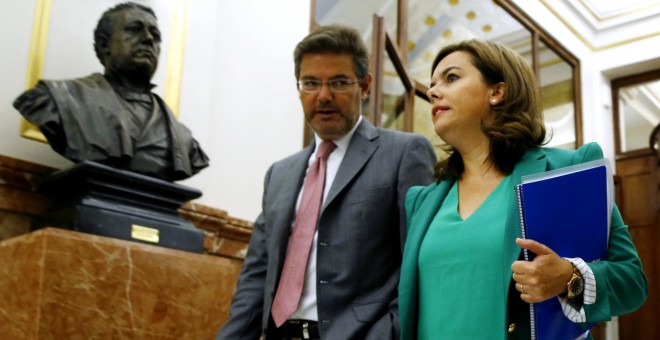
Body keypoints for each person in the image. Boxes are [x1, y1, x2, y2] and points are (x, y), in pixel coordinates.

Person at [398, 39, 648, 339]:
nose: (433, 91)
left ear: (497, 92)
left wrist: (570, 277)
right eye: (432, 83)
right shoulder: (421, 201)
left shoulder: (565, 170)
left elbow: (632, 281)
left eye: (451, 78)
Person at [217, 24, 436, 340]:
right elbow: (257, 274)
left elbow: (419, 264)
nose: (323, 96)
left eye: (338, 82)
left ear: (365, 86)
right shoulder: (279, 174)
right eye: (310, 83)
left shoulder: (404, 154)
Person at [13, 2, 208, 182]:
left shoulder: (184, 141)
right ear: (104, 45)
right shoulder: (57, 99)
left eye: (155, 36)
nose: (148, 39)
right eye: (134, 30)